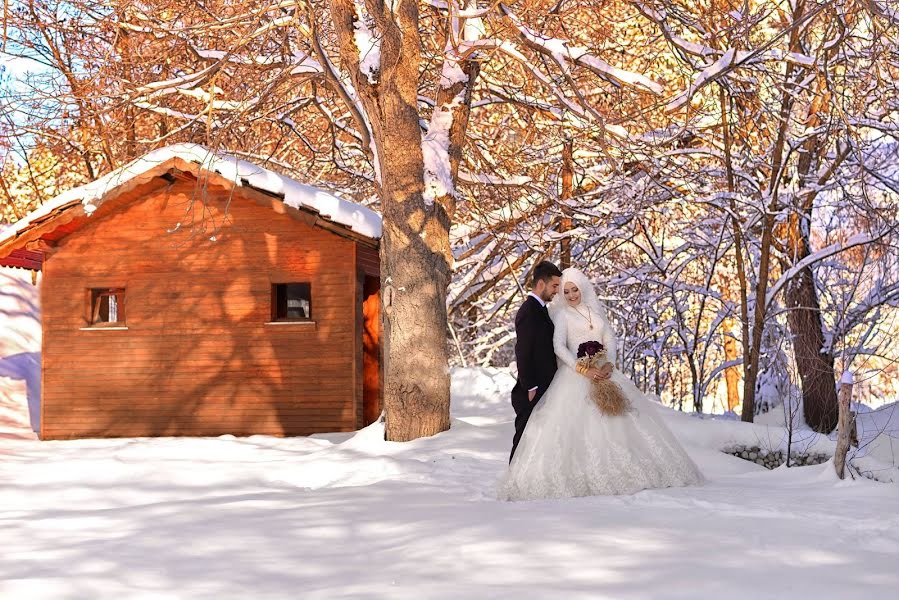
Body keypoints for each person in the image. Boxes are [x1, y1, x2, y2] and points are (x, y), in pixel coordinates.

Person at [499, 267, 703, 500]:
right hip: (575, 377)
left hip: (604, 373)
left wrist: (609, 364)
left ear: (583, 288)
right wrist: (582, 368)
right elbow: (558, 347)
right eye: (565, 291)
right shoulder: (561, 316)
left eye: (574, 290)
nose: (571, 295)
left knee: (621, 421)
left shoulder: (594, 312)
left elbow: (610, 339)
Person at [509, 260, 563, 462]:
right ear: (541, 284)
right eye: (554, 286)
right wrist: (530, 386)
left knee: (534, 438)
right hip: (532, 389)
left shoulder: (540, 309)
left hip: (543, 386)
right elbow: (522, 351)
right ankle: (513, 480)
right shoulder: (529, 311)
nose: (556, 291)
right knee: (523, 438)